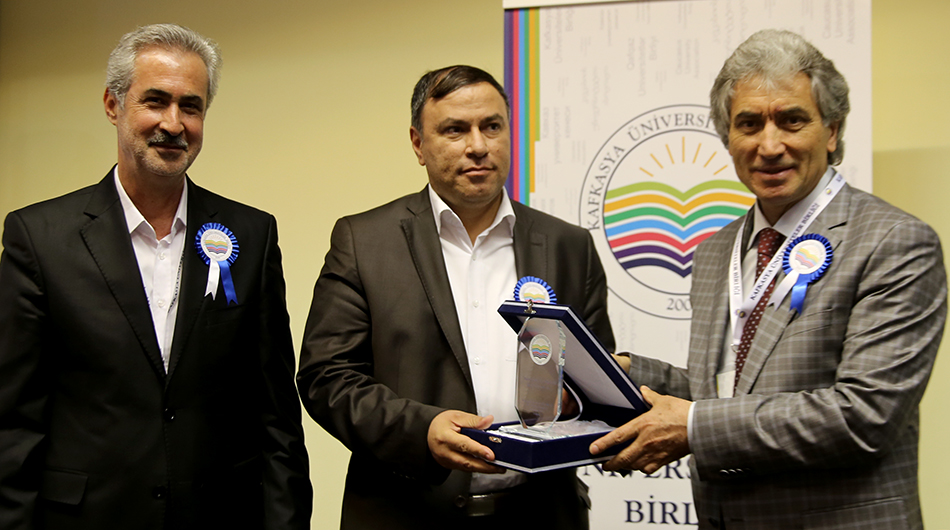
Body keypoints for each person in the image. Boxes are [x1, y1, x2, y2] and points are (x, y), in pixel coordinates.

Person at [590, 29, 946, 530]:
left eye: (792, 120)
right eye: (749, 124)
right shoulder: (716, 251)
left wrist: (692, 426)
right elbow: (732, 387)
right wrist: (626, 373)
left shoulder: (895, 242)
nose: (769, 145)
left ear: (832, 131)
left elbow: (865, 415)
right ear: (727, 138)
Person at [0, 24, 311, 530]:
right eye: (156, 101)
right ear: (113, 104)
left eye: (191, 106)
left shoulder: (250, 235)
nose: (174, 123)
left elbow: (275, 413)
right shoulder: (39, 237)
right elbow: (14, 420)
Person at [296, 65, 615, 529]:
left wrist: (580, 400)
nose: (478, 145)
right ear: (417, 143)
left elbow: (601, 377)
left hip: (542, 513)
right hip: (408, 513)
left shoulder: (569, 245)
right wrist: (420, 430)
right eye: (455, 130)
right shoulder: (364, 241)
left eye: (492, 126)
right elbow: (327, 378)